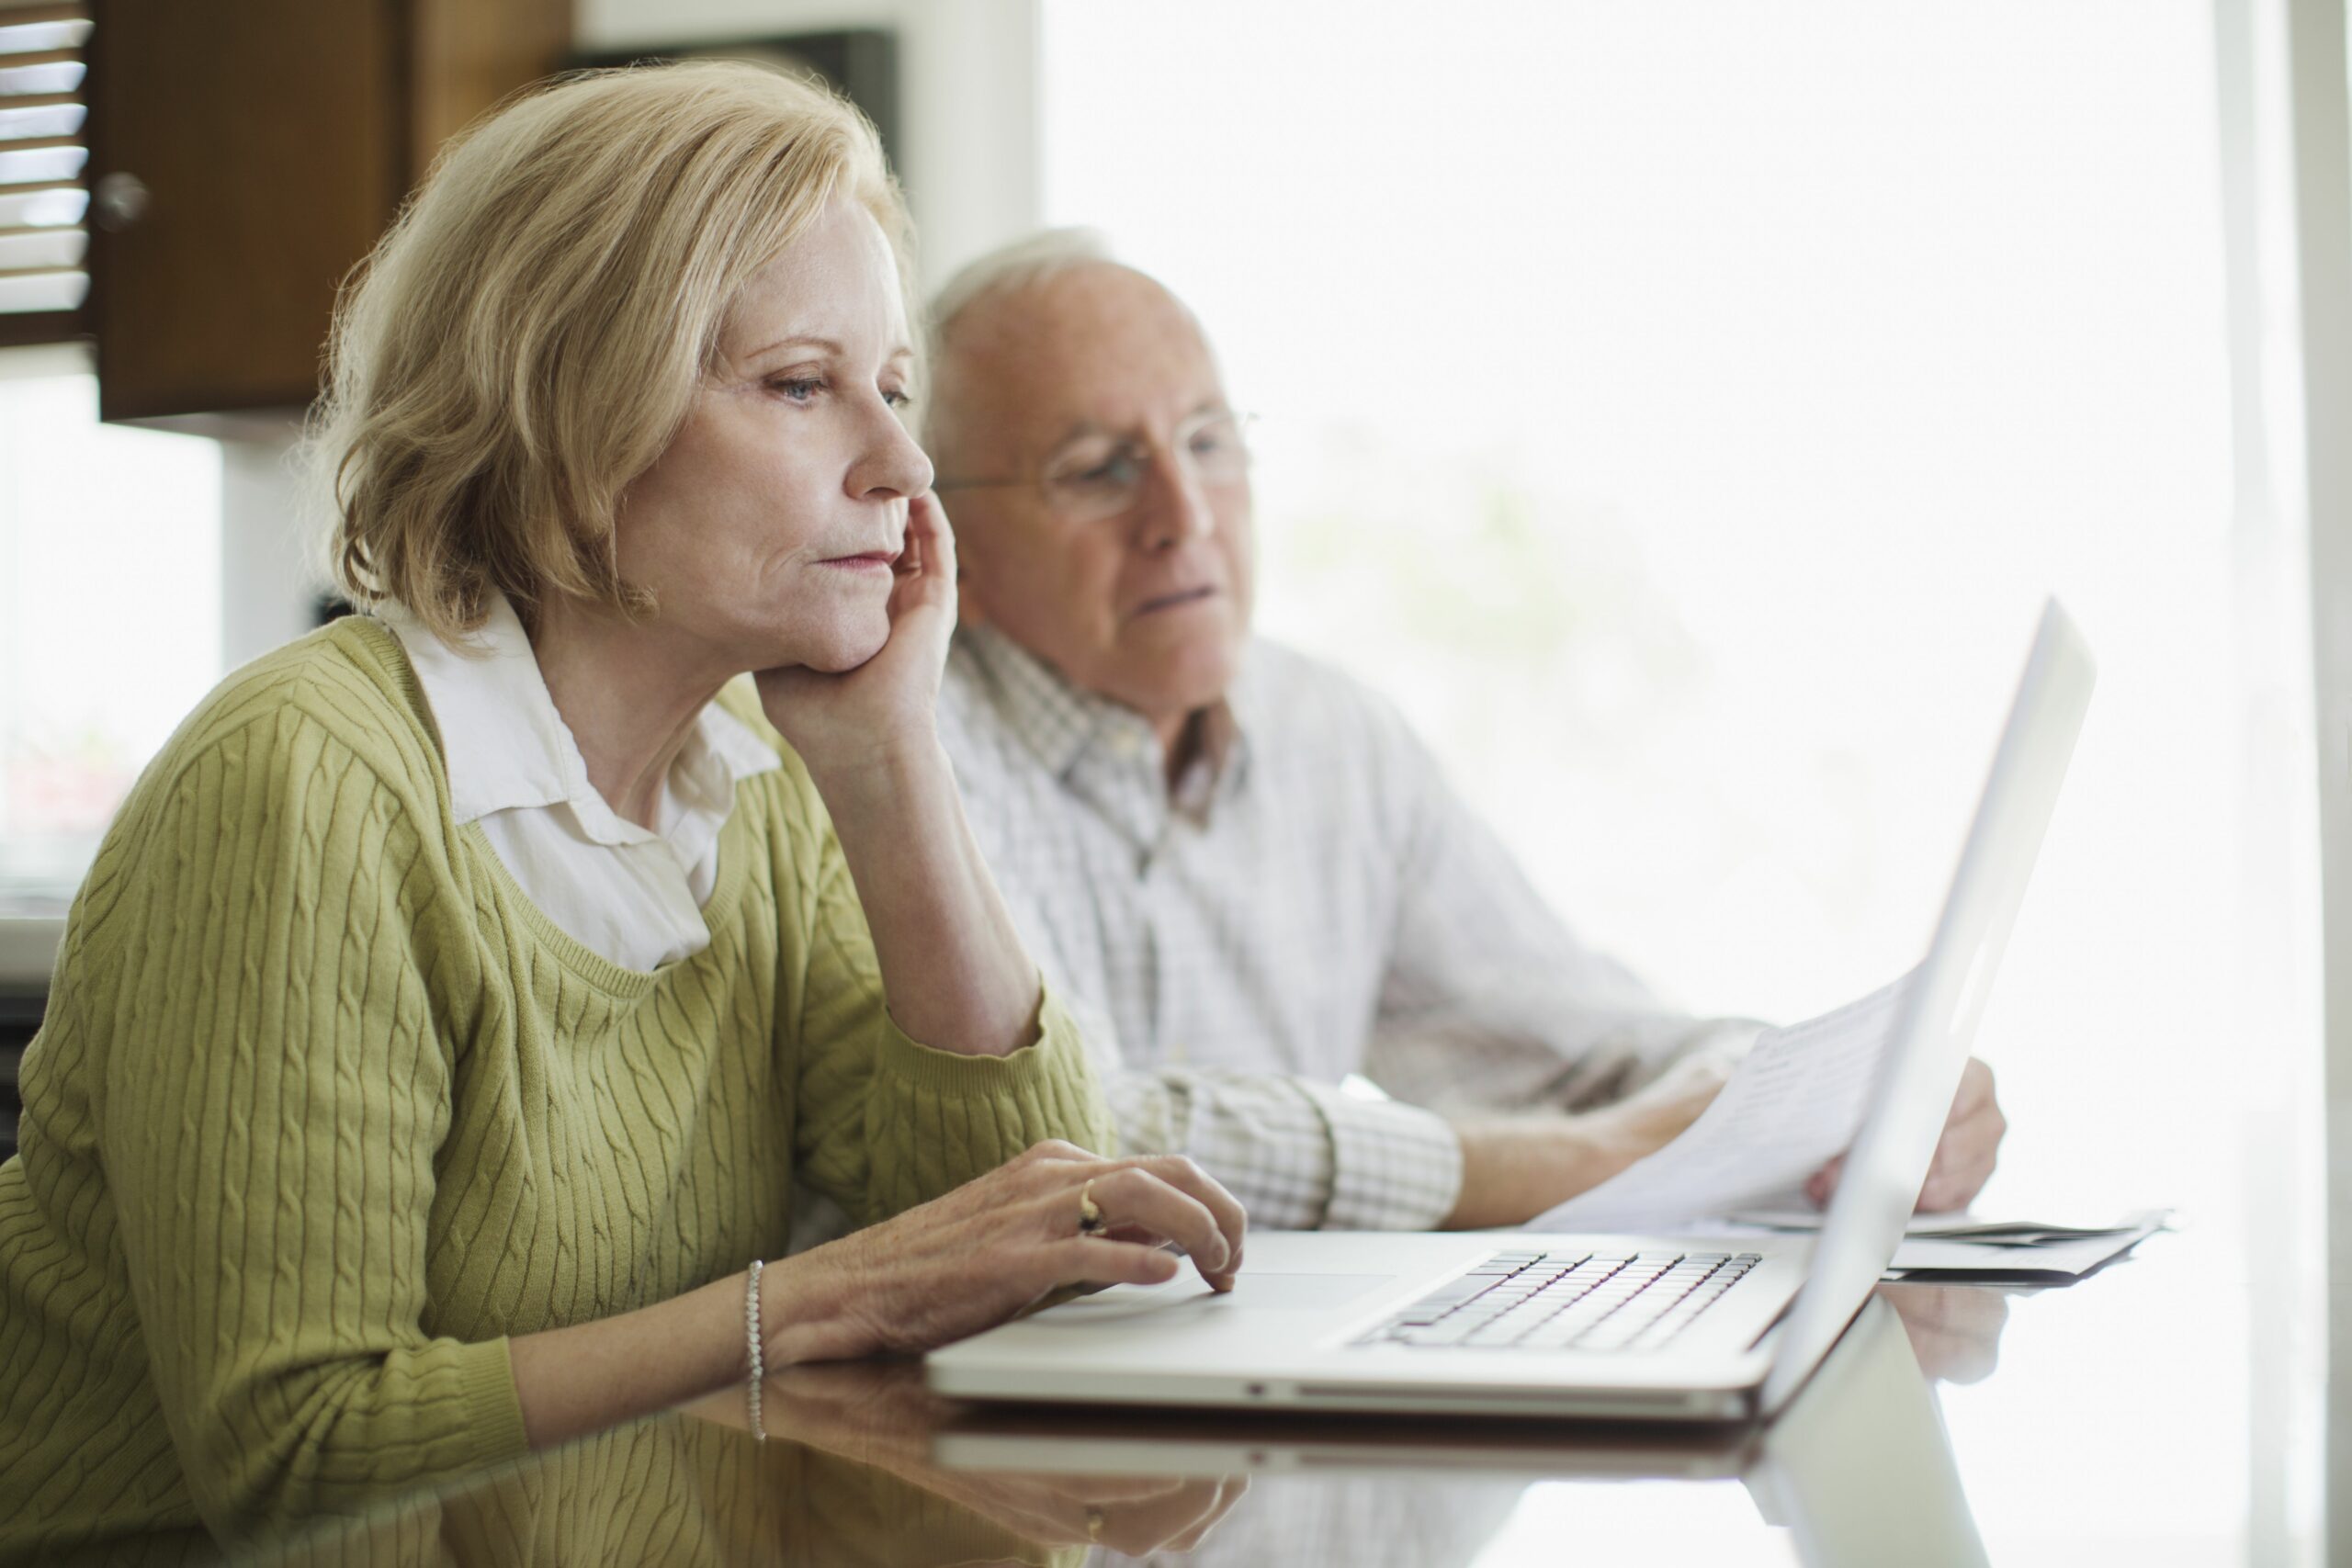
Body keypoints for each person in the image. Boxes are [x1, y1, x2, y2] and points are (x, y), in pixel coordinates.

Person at [0, 69, 1244, 1557]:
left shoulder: (761, 773)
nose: (903, 465)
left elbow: (1036, 1248)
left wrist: (888, 758)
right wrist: (810, 1304)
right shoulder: (303, 784)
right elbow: (298, 1455)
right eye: (801, 384)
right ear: (574, 411)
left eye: (893, 389)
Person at [918, 230, 2005, 1235]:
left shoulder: (1330, 735)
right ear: (952, 535)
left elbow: (1570, 1044)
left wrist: (1831, 1100)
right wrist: (1581, 1162)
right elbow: (1078, 1141)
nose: (1184, 517)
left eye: (1207, 441)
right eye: (1099, 468)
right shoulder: (911, 755)